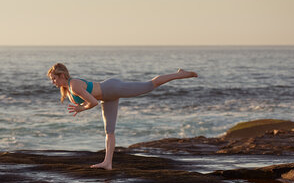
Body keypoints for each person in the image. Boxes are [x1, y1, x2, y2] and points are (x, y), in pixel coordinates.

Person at [47, 63, 198, 170]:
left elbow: (92, 102)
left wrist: (80, 109)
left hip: (113, 88)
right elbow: (95, 100)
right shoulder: (67, 90)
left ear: (62, 75)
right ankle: (107, 163)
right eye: (52, 80)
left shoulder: (74, 85)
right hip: (108, 97)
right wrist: (81, 107)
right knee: (109, 131)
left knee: (150, 84)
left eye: (54, 78)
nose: (53, 82)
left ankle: (180, 74)